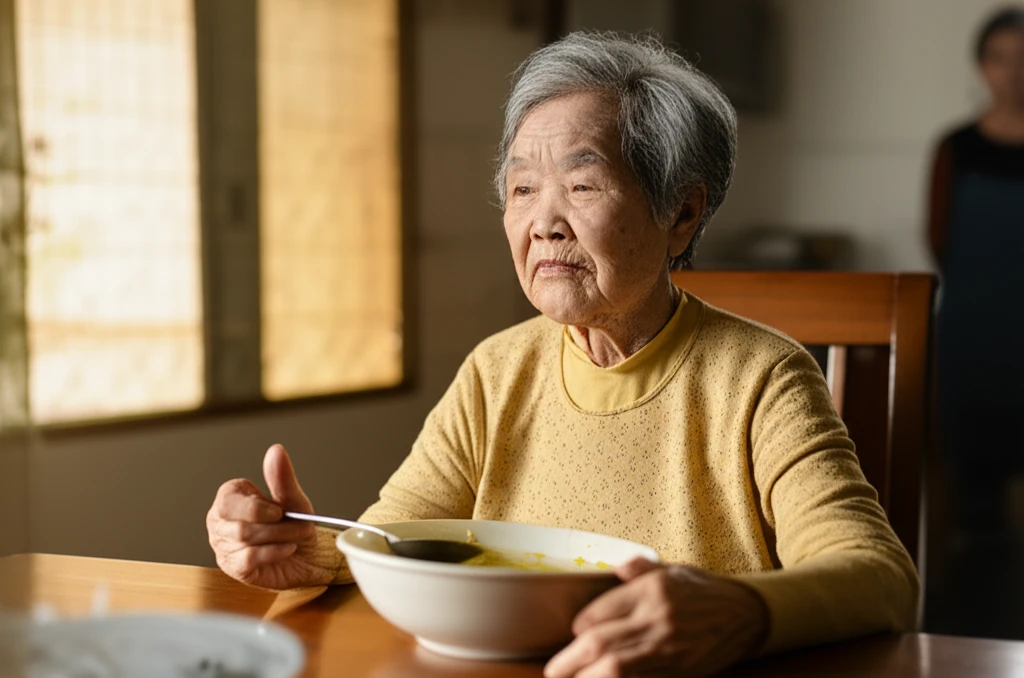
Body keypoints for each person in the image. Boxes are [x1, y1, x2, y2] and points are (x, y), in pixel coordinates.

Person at [208, 33, 918, 677]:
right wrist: (317, 553)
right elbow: (399, 536)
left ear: (681, 214)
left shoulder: (762, 379)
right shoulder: (497, 371)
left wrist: (741, 611)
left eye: (581, 186)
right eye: (521, 189)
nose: (543, 222)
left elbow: (878, 575)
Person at [926, 7, 1024, 638]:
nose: (1013, 74)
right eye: (1000, 59)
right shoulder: (955, 149)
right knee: (968, 494)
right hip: (971, 336)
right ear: (982, 68)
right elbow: (940, 241)